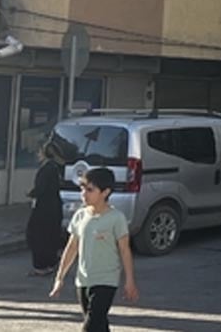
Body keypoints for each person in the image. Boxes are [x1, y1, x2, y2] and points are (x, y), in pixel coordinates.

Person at [50, 167, 139, 331]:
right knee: (99, 324)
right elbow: (71, 248)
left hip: (106, 280)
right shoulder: (80, 215)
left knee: (91, 325)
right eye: (82, 188)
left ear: (105, 192)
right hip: (83, 280)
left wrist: (129, 281)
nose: (84, 193)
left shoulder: (116, 218)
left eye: (90, 190)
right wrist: (59, 278)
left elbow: (125, 251)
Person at [27, 140, 64, 277]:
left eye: (39, 151)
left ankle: (41, 266)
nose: (37, 155)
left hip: (44, 207)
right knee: (50, 235)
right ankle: (51, 262)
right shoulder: (55, 168)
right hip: (54, 206)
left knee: (38, 236)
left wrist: (31, 193)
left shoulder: (46, 169)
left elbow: (41, 188)